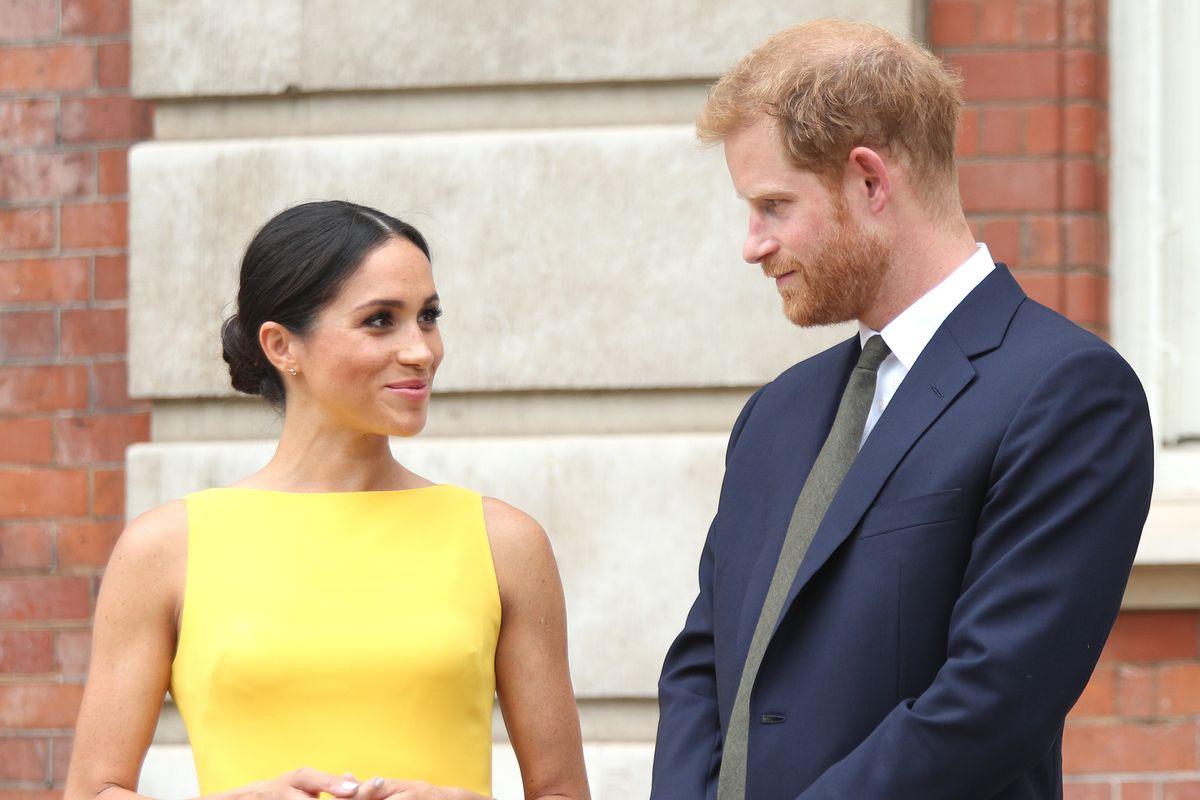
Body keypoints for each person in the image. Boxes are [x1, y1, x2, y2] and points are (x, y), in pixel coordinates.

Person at [652, 19, 1153, 800]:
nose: (752, 244)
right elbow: (702, 665)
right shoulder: (776, 415)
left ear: (869, 181)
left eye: (774, 205)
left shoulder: (1067, 394)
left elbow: (990, 704)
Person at [65, 201, 591, 800]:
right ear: (282, 345)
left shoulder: (504, 542)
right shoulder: (166, 547)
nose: (421, 350)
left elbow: (563, 792)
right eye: (379, 321)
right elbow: (92, 790)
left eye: (428, 316)